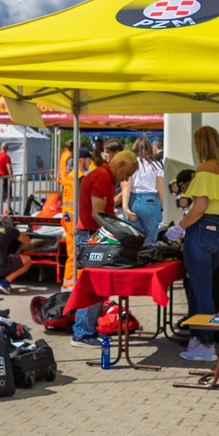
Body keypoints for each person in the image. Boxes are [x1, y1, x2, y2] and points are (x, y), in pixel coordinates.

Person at [165, 127, 219, 362]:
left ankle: (205, 344)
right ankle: (197, 339)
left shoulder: (204, 169)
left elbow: (198, 208)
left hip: (202, 231)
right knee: (203, 286)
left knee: (201, 289)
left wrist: (178, 228)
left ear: (200, 145)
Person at [71, 150, 138, 347]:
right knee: (93, 286)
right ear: (122, 164)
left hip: (91, 234)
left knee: (96, 286)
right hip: (92, 235)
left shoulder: (101, 176)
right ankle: (82, 332)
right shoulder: (101, 177)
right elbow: (98, 213)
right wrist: (117, 232)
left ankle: (86, 329)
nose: (126, 178)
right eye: (128, 173)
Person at [59, 146, 93, 290]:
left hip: (69, 220)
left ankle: (69, 286)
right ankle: (70, 288)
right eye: (88, 160)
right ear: (81, 160)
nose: (89, 163)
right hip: (75, 223)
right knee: (76, 256)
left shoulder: (70, 177)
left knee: (73, 255)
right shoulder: (79, 178)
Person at [121, 137, 165, 246]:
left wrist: (125, 207)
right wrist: (162, 207)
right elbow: (161, 189)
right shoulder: (157, 164)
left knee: (135, 238)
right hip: (151, 201)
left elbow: (126, 186)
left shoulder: (131, 164)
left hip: (133, 201)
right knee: (151, 240)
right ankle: (149, 259)